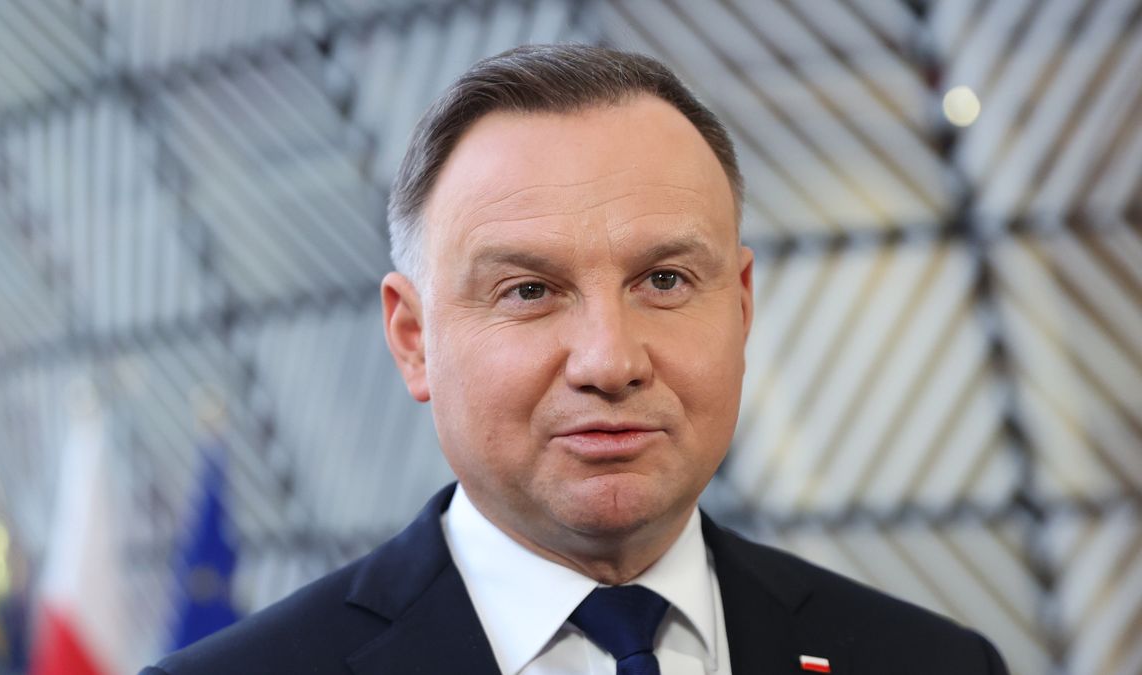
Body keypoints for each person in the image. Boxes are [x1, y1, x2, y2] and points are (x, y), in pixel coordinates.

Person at [142, 44, 1008, 675]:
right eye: (529, 291)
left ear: (741, 308)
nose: (610, 359)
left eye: (664, 279)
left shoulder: (933, 662)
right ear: (414, 340)